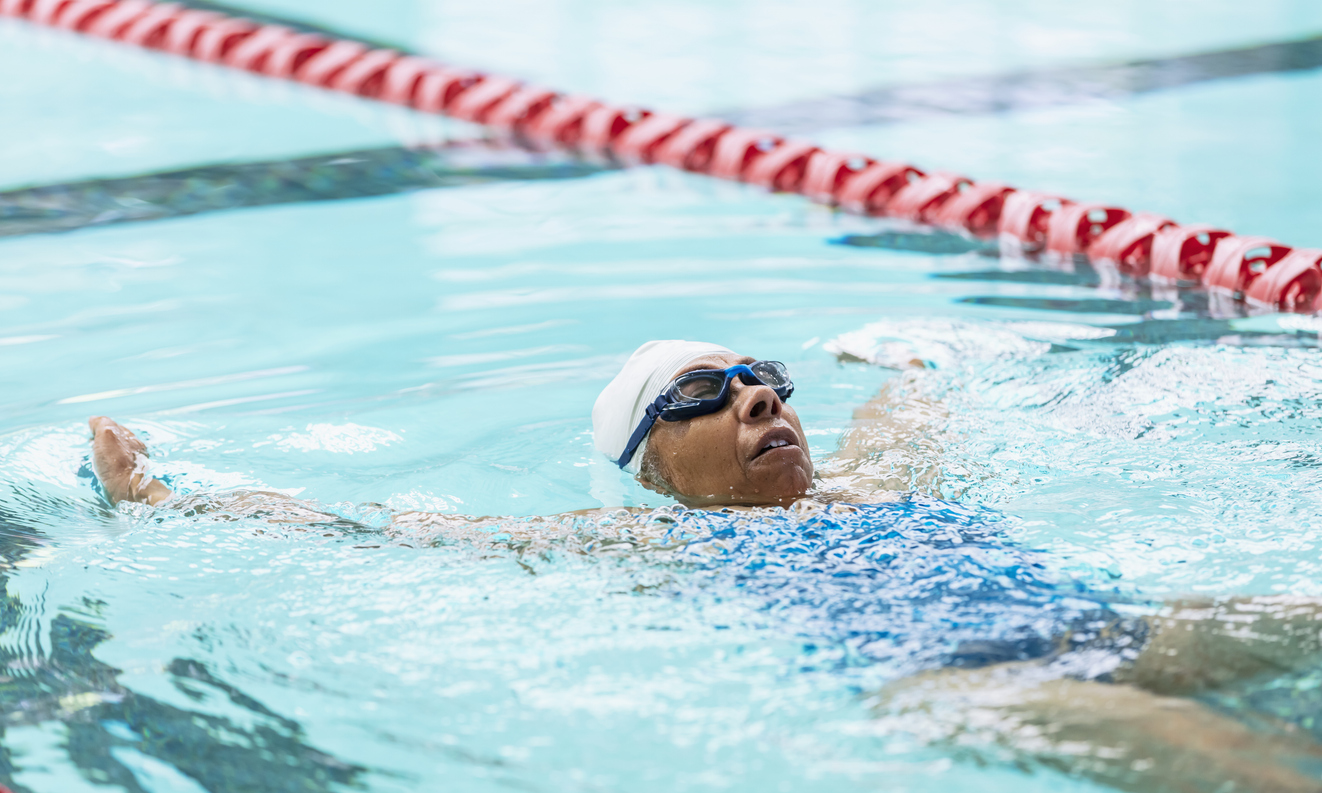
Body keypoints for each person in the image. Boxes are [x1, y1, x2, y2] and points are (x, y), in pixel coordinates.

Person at [87, 340, 1322, 792]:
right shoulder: (656, 544)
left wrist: (913, 358)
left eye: (763, 383)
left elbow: (915, 398)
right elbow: (388, 530)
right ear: (650, 461)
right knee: (1241, 767)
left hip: (1110, 626)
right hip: (964, 684)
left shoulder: (874, 483)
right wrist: (167, 501)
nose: (755, 399)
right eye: (703, 396)